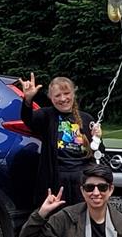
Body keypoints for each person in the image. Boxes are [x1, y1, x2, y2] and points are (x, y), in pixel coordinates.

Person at [19, 164, 122, 237]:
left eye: (102, 187)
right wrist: (41, 213)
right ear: (82, 191)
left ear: (110, 190)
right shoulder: (66, 218)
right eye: (89, 187)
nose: (96, 193)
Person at [18, 74, 103, 207]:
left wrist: (97, 137)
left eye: (66, 93)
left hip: (82, 178)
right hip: (56, 178)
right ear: (51, 98)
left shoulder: (86, 119)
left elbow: (98, 152)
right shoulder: (46, 116)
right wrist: (28, 99)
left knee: (81, 217)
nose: (63, 99)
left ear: (74, 93)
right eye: (57, 96)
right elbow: (27, 118)